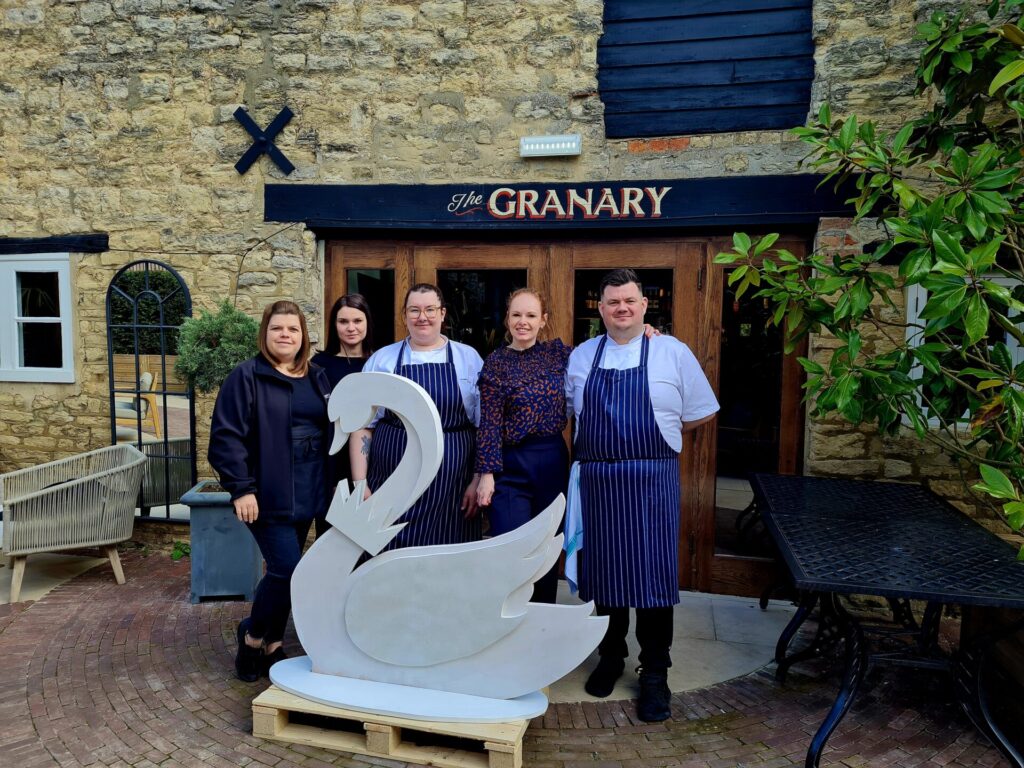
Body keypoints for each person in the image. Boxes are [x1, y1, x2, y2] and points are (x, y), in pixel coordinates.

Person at [565, 269, 719, 722]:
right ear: (600, 308)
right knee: (605, 578)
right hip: (598, 482)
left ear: (645, 305)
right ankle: (611, 657)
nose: (622, 309)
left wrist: (657, 440)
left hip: (652, 479)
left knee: (652, 582)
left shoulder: (672, 351)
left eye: (630, 301)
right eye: (613, 302)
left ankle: (655, 673)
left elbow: (699, 413)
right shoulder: (581, 356)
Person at [208, 300, 332, 682]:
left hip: (311, 489)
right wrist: (241, 489)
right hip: (268, 492)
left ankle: (275, 643)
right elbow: (226, 438)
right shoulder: (246, 377)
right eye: (278, 328)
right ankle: (253, 636)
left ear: (302, 337)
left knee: (286, 572)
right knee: (288, 570)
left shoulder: (317, 377)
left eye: (293, 330)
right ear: (265, 333)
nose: (285, 335)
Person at [353, 283, 484, 548]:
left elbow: (485, 426)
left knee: (448, 555)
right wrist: (359, 484)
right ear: (404, 315)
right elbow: (362, 426)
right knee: (388, 552)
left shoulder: (467, 359)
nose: (422, 317)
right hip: (393, 479)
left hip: (453, 483)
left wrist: (478, 479)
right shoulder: (383, 360)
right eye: (414, 310)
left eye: (430, 310)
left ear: (443, 313)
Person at [474, 288, 570, 604]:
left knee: (545, 547)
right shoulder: (496, 363)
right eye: (516, 315)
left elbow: (608, 350)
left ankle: (541, 625)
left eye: (530, 315)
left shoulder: (560, 355)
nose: (523, 322)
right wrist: (486, 472)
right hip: (511, 464)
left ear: (543, 320)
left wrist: (647, 332)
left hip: (552, 461)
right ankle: (510, 620)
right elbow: (489, 421)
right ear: (507, 319)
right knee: (511, 547)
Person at [310, 293, 374, 537]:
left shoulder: (379, 362)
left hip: (375, 461)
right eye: (343, 322)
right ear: (333, 325)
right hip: (331, 464)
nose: (351, 328)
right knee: (332, 537)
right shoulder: (318, 365)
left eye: (357, 321)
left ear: (367, 322)